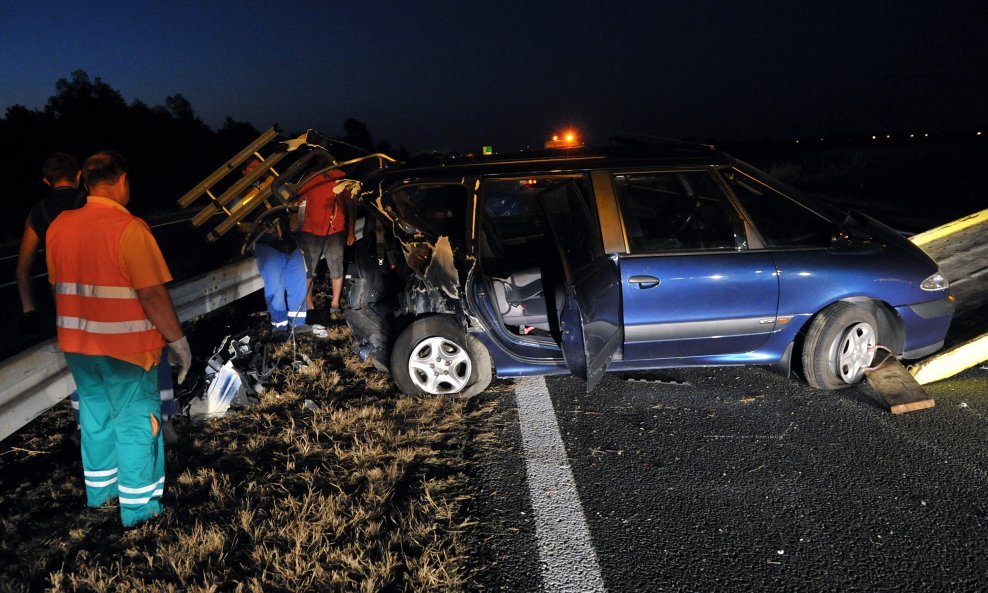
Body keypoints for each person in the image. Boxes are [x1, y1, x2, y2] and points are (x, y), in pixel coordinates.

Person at [46, 151, 192, 527]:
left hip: (78, 347)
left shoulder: (59, 226)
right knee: (136, 425)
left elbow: (58, 285)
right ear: (123, 180)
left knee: (95, 419)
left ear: (85, 181)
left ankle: (100, 494)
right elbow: (152, 295)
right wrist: (178, 341)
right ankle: (140, 511)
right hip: (127, 351)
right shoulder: (129, 228)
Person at [16, 152, 86, 333]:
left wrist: (29, 310)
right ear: (79, 175)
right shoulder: (90, 202)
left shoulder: (37, 213)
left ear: (47, 182)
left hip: (63, 297)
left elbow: (23, 268)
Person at [243, 157, 310, 334]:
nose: (256, 168)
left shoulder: (275, 184)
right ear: (244, 171)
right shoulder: (239, 193)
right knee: (275, 286)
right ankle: (279, 326)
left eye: (258, 165)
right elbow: (238, 224)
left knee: (298, 280)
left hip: (288, 240)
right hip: (265, 243)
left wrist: (295, 214)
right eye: (251, 166)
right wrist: (260, 226)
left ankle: (298, 323)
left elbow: (293, 202)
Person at [296, 166, 356, 320]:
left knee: (336, 268)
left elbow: (350, 204)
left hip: (335, 232)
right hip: (310, 232)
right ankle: (309, 304)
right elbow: (297, 202)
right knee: (307, 270)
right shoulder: (308, 177)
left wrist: (351, 231)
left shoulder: (341, 177)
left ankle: (335, 304)